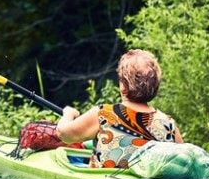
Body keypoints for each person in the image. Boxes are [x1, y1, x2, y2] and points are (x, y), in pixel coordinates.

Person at [56, 49, 184, 169]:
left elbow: (63, 134)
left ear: (123, 85)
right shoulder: (169, 124)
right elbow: (184, 163)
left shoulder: (104, 114)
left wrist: (69, 113)